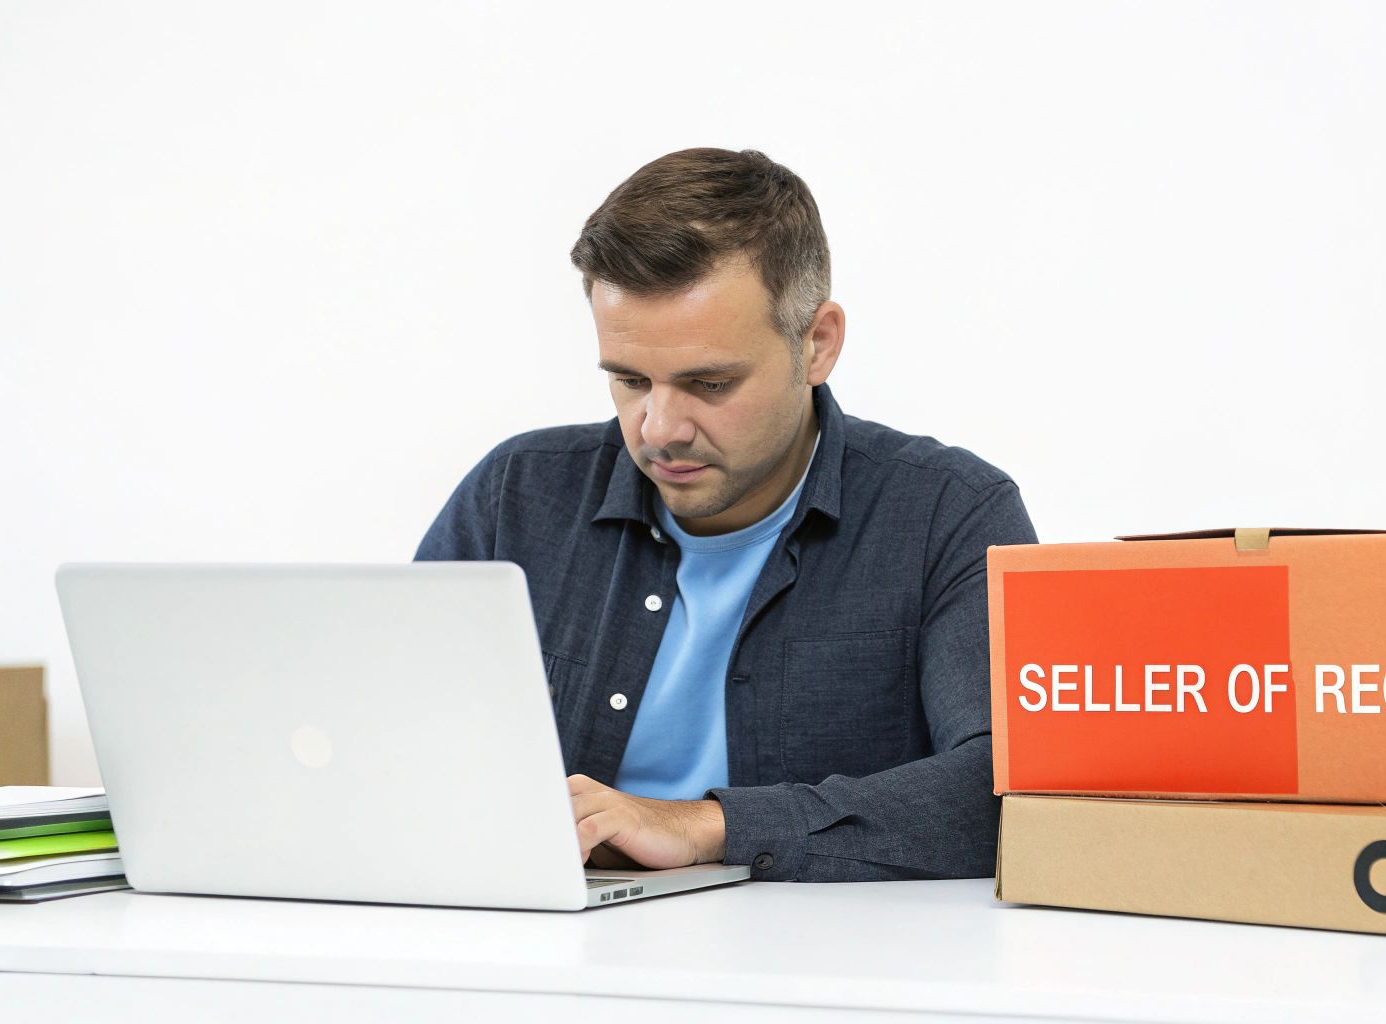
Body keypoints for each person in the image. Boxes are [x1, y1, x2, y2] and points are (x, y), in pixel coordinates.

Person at [417, 148, 1036, 881]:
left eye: (708, 383)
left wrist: (711, 827)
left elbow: (1008, 790)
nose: (658, 428)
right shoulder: (514, 496)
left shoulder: (948, 513)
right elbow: (390, 735)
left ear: (817, 344)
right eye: (629, 380)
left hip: (826, 969)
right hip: (543, 957)